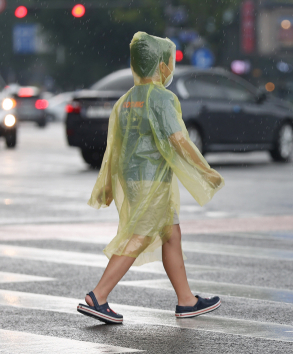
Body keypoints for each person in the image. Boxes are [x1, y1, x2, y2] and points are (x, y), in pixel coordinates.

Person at [77, 32, 225, 324]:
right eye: (168, 61)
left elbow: (114, 149)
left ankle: (186, 300)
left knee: (171, 234)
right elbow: (179, 140)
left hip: (134, 180)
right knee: (140, 236)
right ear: (160, 65)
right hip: (152, 181)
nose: (170, 67)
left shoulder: (126, 101)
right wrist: (204, 170)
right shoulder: (161, 98)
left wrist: (108, 184)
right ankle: (99, 296)